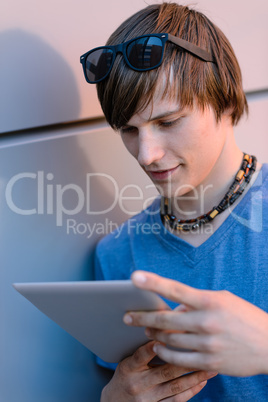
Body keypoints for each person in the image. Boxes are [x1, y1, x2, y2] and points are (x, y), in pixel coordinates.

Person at [80, 2, 268, 401]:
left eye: (167, 122)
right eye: (129, 130)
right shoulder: (116, 254)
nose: (146, 154)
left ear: (227, 102)